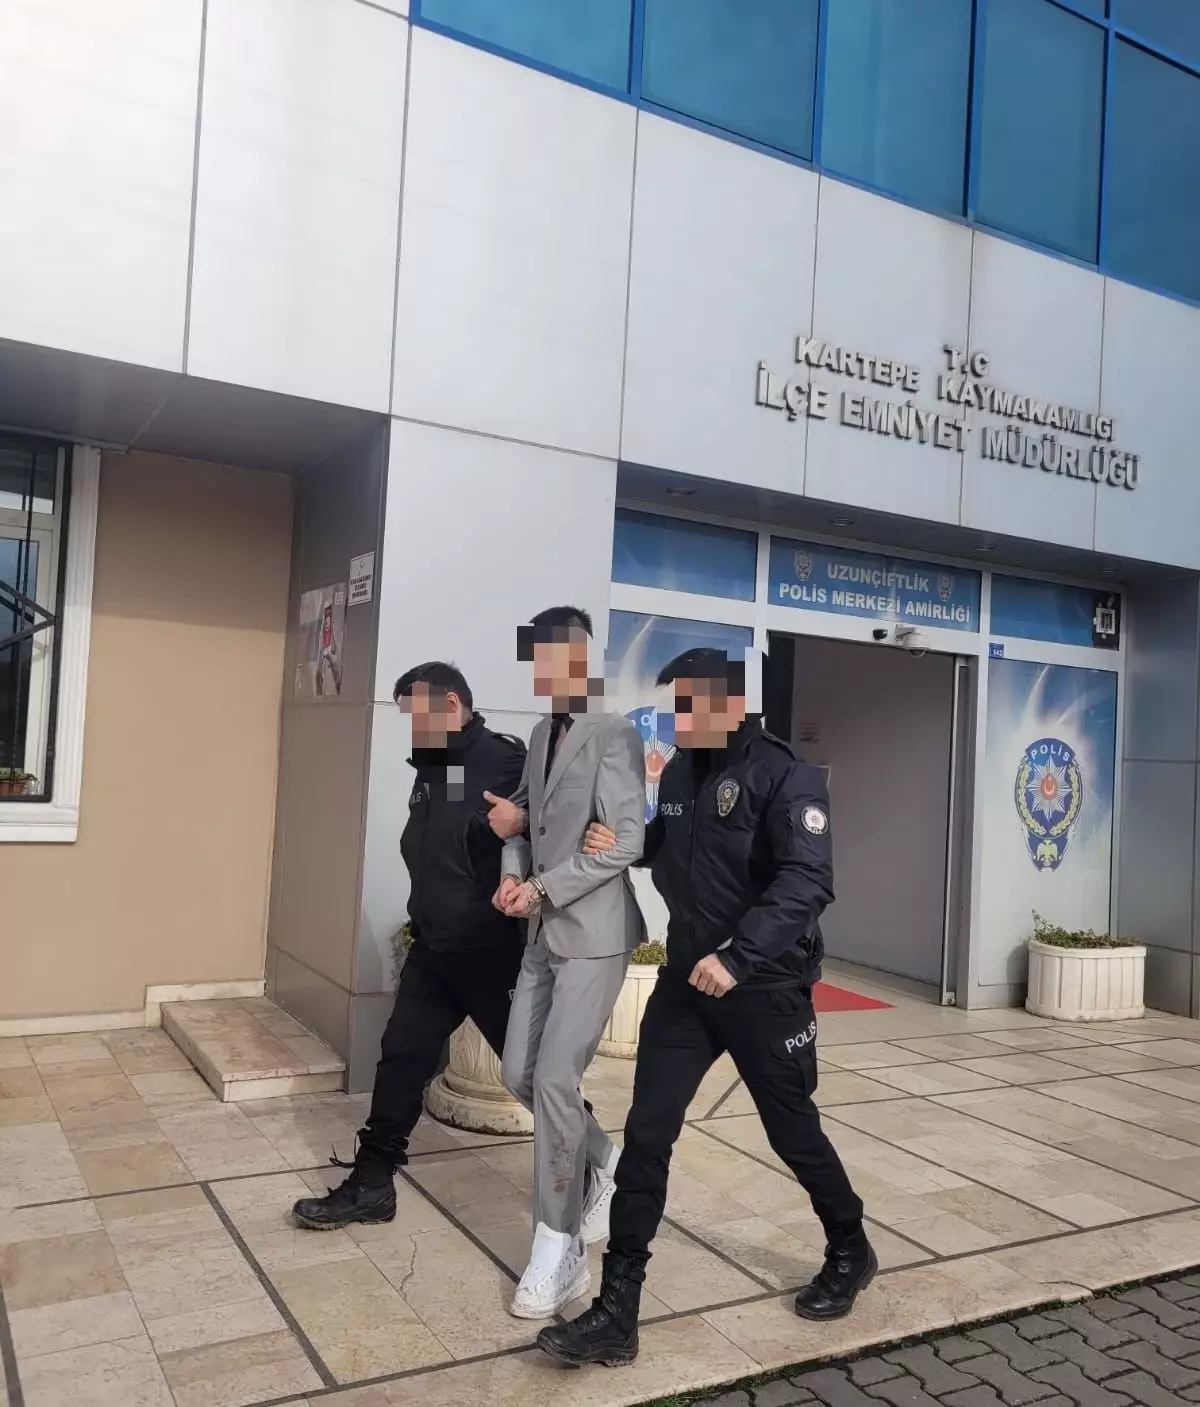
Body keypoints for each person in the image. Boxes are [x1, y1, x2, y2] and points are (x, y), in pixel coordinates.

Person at [536, 647, 873, 1367]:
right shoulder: (684, 771)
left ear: (732, 703)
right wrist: (627, 842)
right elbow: (671, 845)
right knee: (647, 1134)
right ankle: (617, 1312)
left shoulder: (785, 775)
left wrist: (739, 956)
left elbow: (808, 880)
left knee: (792, 1132)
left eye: (690, 704)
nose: (679, 718)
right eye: (676, 704)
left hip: (764, 987)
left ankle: (850, 1245)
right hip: (688, 986)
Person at [292, 661, 526, 1231]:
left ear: (452, 705)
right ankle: (373, 1184)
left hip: (490, 953)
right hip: (434, 949)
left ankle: (596, 1167)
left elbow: (559, 826)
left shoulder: (505, 760)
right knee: (401, 1057)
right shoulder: (434, 765)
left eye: (417, 715)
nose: (413, 728)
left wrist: (525, 821)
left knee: (534, 1072)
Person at [484, 605, 646, 1319]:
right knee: (518, 1072)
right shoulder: (540, 734)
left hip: (595, 935)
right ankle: (606, 1160)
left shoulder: (614, 733)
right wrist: (511, 873)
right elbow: (522, 822)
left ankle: (559, 1245)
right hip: (541, 935)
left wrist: (544, 886)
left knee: (554, 1077)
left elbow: (626, 840)